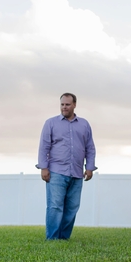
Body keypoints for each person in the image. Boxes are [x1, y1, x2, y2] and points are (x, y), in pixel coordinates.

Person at [37, 93, 97, 240]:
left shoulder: (84, 124)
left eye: (67, 104)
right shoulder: (50, 123)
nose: (64, 107)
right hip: (56, 172)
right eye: (62, 104)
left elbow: (90, 147)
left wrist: (89, 167)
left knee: (72, 208)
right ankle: (52, 239)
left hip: (77, 173)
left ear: (74, 105)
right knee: (55, 206)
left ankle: (63, 238)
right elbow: (44, 146)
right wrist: (44, 167)